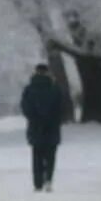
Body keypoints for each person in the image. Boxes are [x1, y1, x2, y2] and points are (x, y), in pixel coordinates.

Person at [20, 64, 65, 192]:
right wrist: (54, 119)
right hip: (52, 127)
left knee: (37, 156)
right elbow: (61, 108)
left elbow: (25, 107)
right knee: (50, 156)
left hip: (35, 128)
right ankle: (48, 180)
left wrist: (34, 118)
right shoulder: (55, 89)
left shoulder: (29, 89)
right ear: (48, 73)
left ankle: (37, 183)